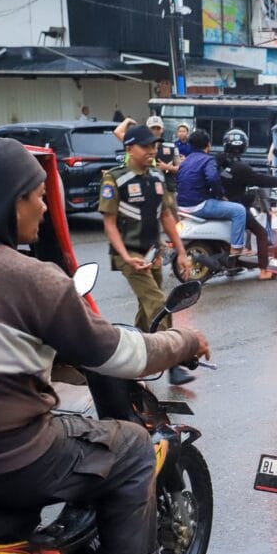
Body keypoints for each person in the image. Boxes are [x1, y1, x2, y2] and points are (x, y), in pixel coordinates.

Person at [0, 138, 209, 554]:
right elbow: (122, 352)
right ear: (10, 200)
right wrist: (183, 341)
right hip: (11, 460)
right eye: (36, 195)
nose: (42, 206)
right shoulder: (31, 278)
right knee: (134, 446)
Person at [99, 125, 195, 386]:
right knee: (159, 303)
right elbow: (109, 223)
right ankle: (173, 363)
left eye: (154, 146)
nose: (152, 151)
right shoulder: (114, 178)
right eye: (146, 146)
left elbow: (166, 217)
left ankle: (133, 358)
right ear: (129, 148)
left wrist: (182, 252)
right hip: (130, 253)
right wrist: (125, 257)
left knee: (147, 310)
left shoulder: (156, 177)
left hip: (153, 251)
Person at [215, 128, 277, 280]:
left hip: (222, 202)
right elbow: (260, 180)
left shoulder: (220, 161)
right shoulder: (240, 167)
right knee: (261, 233)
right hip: (237, 206)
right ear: (244, 145)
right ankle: (264, 270)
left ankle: (233, 266)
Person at [176, 129, 251, 257]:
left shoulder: (186, 161)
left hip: (182, 204)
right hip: (198, 204)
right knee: (239, 210)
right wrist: (220, 195)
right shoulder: (207, 160)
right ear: (208, 145)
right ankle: (237, 248)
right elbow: (212, 178)